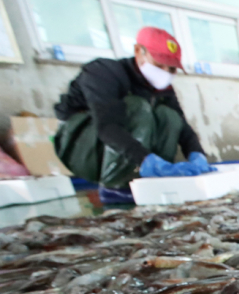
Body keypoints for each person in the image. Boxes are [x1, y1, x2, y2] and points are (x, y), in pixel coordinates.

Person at [53, 27, 213, 205]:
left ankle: (156, 182)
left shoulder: (162, 88)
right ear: (138, 51)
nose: (166, 72)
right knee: (137, 106)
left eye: (172, 69)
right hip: (82, 148)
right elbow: (107, 127)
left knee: (168, 115)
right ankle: (116, 186)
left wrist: (197, 155)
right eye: (160, 65)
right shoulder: (104, 72)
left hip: (121, 149)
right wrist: (147, 161)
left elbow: (182, 126)